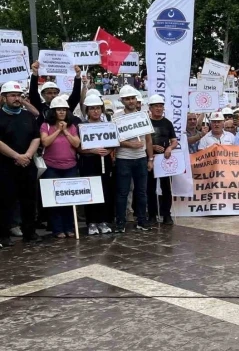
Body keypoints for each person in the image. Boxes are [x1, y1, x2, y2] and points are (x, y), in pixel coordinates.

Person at [0, 81, 41, 247]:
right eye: (12, 95)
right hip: (5, 167)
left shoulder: (28, 116)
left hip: (27, 165)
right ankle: (3, 235)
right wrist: (16, 156)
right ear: (4, 98)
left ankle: (29, 233)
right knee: (5, 202)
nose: (16, 98)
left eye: (18, 95)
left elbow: (36, 137)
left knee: (29, 200)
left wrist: (28, 155)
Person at [113, 85, 154, 233]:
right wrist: (130, 144)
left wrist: (150, 159)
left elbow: (148, 140)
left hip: (141, 159)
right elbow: (114, 139)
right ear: (122, 100)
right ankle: (120, 222)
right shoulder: (116, 117)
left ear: (136, 99)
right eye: (127, 99)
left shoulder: (143, 115)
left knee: (141, 192)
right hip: (123, 158)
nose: (130, 101)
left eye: (132, 98)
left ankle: (142, 221)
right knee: (122, 192)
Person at [40, 97, 81, 238]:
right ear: (53, 111)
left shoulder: (72, 126)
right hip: (51, 167)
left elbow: (76, 144)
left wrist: (66, 131)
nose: (62, 112)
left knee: (69, 199)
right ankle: (57, 229)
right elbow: (45, 142)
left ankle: (69, 227)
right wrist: (58, 130)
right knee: (55, 199)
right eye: (59, 110)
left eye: (64, 109)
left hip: (70, 167)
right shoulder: (46, 126)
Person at [78, 95, 114, 235]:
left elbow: (113, 143)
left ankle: (103, 221)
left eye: (98, 108)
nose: (95, 111)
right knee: (91, 191)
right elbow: (78, 147)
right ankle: (91, 222)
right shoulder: (82, 126)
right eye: (92, 108)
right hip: (88, 162)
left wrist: (108, 151)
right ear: (87, 110)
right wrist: (92, 150)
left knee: (105, 191)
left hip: (105, 161)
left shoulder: (108, 125)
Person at [147, 95, 177, 225]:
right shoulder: (146, 122)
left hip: (165, 160)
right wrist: (151, 147)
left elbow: (174, 141)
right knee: (150, 188)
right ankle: (152, 215)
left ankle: (167, 215)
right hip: (150, 159)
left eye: (161, 106)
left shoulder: (167, 123)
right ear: (150, 108)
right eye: (156, 106)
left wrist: (169, 148)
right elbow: (142, 141)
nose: (159, 109)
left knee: (166, 188)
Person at [29, 62, 82, 126]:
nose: (53, 95)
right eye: (49, 93)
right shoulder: (40, 107)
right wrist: (35, 74)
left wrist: (78, 77)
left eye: (55, 93)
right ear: (42, 95)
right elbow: (33, 93)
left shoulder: (65, 106)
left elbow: (75, 96)